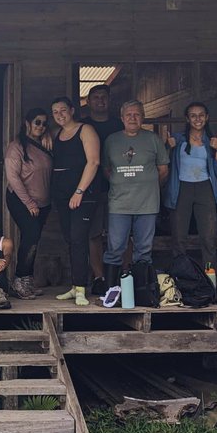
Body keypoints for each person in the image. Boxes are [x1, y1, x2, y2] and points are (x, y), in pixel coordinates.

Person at [102, 100, 170, 290]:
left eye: (137, 114)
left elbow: (163, 169)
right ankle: (111, 291)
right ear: (122, 118)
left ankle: (141, 291)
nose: (133, 118)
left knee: (144, 250)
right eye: (129, 115)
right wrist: (122, 183)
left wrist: (148, 186)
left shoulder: (153, 139)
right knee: (115, 247)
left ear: (143, 117)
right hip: (119, 203)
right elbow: (106, 170)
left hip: (147, 204)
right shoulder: (112, 140)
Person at [49, 96, 102, 306]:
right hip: (62, 196)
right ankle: (74, 286)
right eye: (55, 112)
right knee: (70, 239)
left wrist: (79, 191)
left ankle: (81, 288)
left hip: (83, 195)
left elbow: (94, 161)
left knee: (79, 238)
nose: (59, 115)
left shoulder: (85, 130)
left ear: (72, 110)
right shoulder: (56, 134)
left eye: (63, 110)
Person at [164, 101, 217, 276]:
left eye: (201, 115)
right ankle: (181, 278)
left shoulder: (211, 141)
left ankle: (209, 279)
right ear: (187, 118)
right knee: (179, 238)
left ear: (206, 117)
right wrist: (168, 146)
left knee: (208, 238)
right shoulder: (178, 139)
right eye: (193, 115)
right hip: (181, 188)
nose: (197, 118)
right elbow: (163, 164)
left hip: (205, 188)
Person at [78, 84, 124, 294]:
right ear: (88, 101)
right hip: (92, 187)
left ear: (109, 100)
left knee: (123, 234)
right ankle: (99, 277)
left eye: (104, 97)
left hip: (121, 188)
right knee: (94, 233)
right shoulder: (82, 125)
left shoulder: (119, 125)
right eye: (95, 97)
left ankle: (125, 274)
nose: (100, 101)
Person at [4, 107, 53, 299]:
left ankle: (27, 279)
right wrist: (29, 203)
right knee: (30, 237)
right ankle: (18, 280)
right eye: (37, 122)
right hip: (21, 200)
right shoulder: (16, 147)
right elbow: (13, 179)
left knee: (34, 239)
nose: (41, 126)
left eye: (44, 123)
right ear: (27, 123)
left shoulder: (46, 144)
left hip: (44, 202)